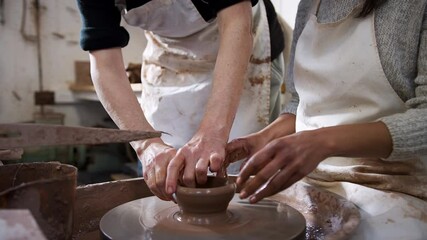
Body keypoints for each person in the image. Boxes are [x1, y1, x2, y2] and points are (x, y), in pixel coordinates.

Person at [226, 0, 427, 239]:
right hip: (307, 180)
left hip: (389, 185)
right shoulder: (309, 5)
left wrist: (321, 142)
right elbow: (300, 102)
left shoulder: (414, 7)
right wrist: (263, 138)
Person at [76, 0, 285, 200]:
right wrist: (147, 145)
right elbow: (105, 64)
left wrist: (213, 132)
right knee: (165, 171)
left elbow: (236, 22)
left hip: (241, 43)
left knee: (236, 169)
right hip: (170, 55)